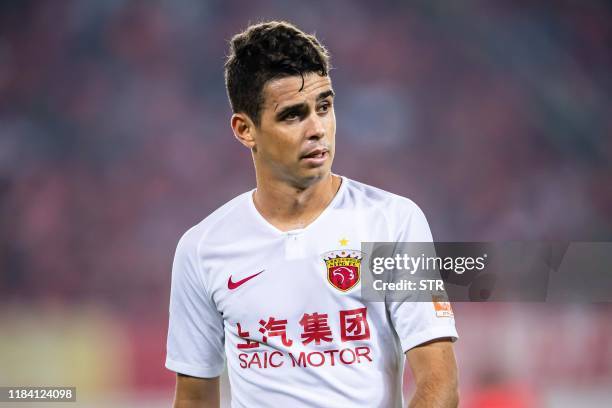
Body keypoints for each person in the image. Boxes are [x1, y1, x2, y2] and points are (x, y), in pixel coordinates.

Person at [166, 20, 458, 408]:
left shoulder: (393, 222)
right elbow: (194, 400)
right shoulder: (202, 248)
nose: (317, 128)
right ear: (244, 129)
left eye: (324, 107)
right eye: (292, 115)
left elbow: (440, 383)